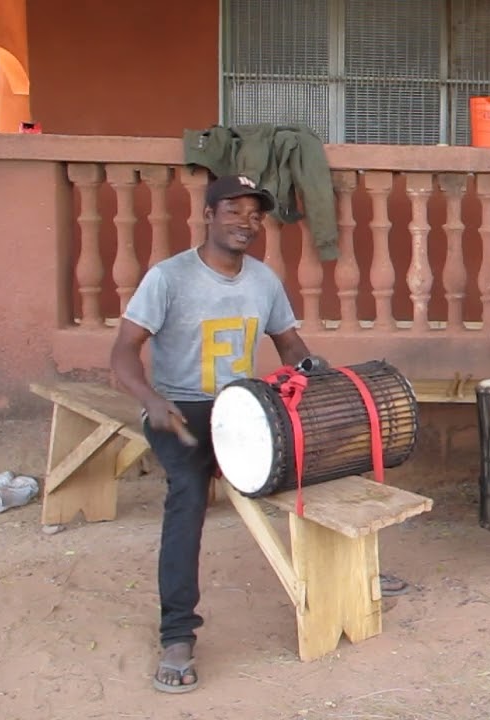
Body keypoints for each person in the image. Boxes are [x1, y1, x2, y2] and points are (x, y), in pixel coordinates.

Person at [110, 175, 409, 693]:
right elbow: (122, 353)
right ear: (207, 214)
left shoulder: (263, 280)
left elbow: (288, 344)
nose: (245, 222)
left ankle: (352, 576)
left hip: (248, 408)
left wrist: (313, 368)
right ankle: (178, 633)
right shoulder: (169, 278)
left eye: (255, 215)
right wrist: (152, 402)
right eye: (234, 210)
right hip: (181, 409)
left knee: (324, 456)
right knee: (187, 493)